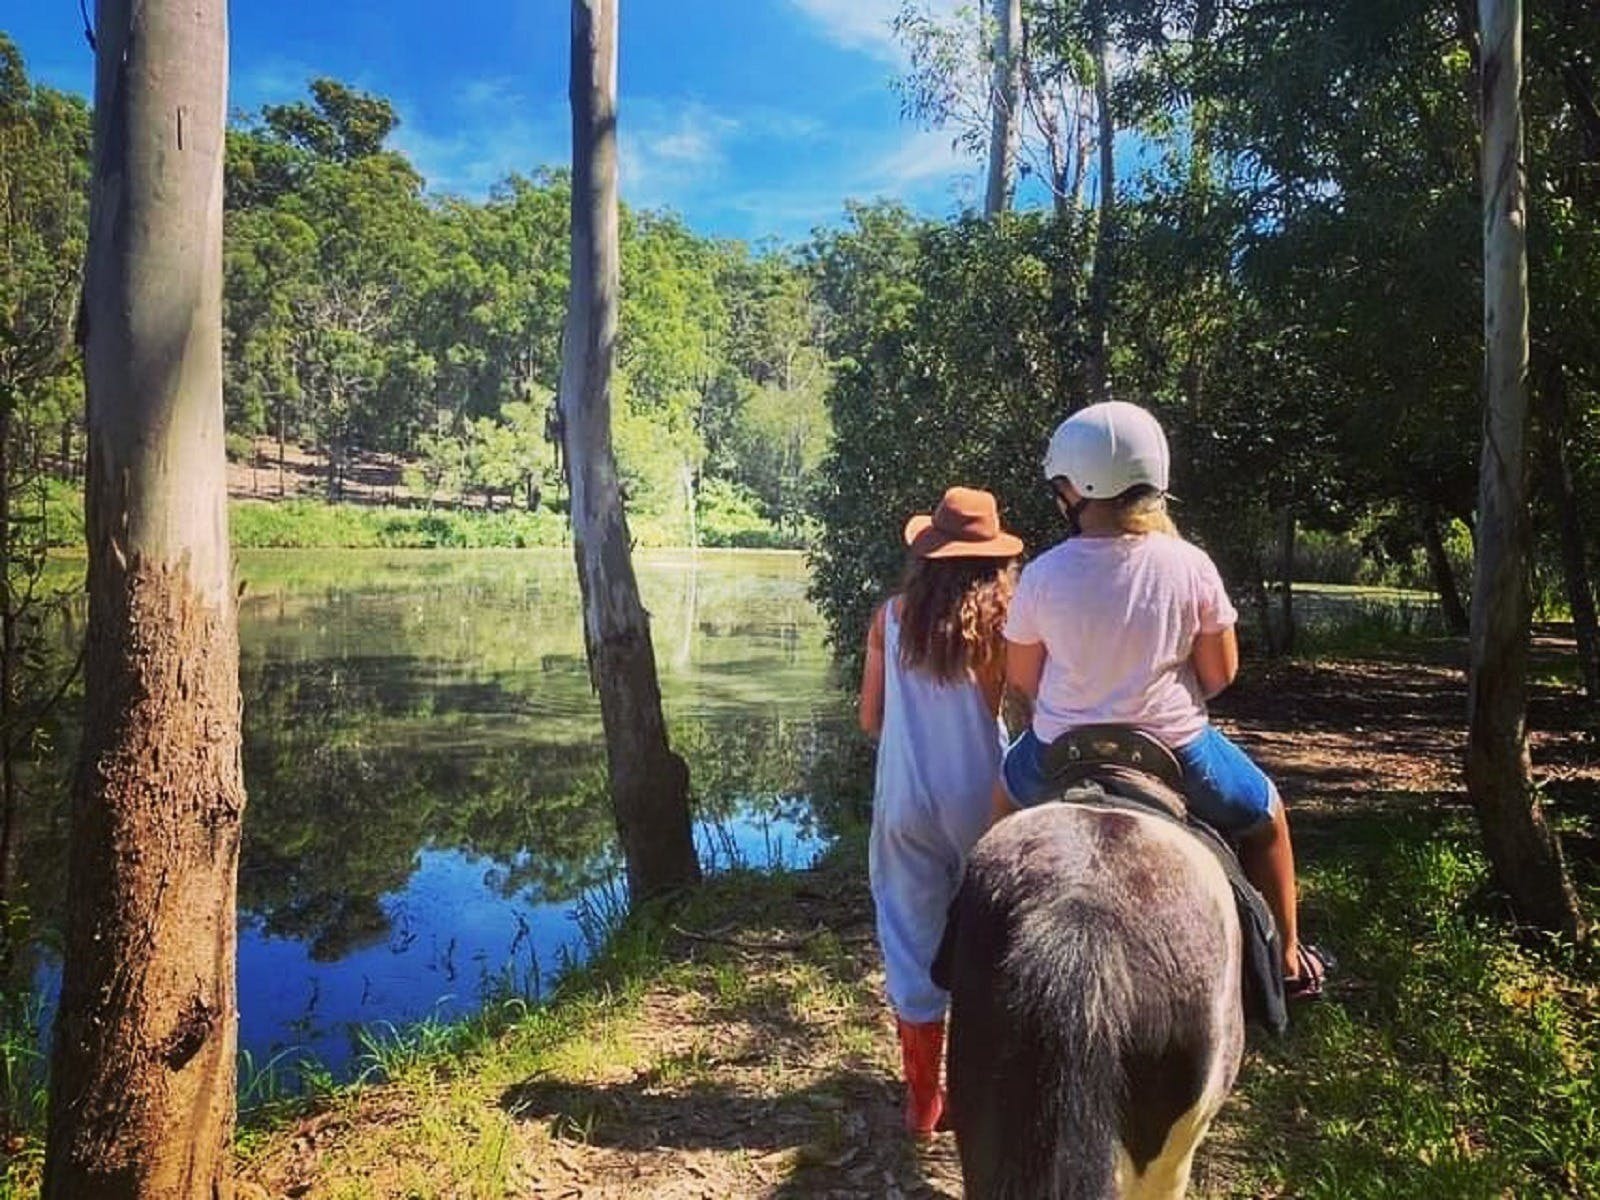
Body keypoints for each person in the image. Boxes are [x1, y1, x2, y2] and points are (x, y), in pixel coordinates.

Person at [994, 400, 1330, 1001]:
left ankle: (978, 934)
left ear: (1078, 488)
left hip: (1059, 751)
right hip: (1176, 750)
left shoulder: (1043, 574)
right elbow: (1221, 672)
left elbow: (1022, 676)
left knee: (1000, 798)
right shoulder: (1191, 565)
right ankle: (1283, 961)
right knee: (1267, 818)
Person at [859, 485, 1022, 1137]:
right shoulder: (1008, 620)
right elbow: (1025, 709)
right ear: (993, 560)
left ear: (927, 557)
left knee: (909, 938)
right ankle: (984, 1093)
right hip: (986, 798)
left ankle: (924, 1102)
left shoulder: (890, 619)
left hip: (906, 798)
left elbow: (871, 719)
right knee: (992, 942)